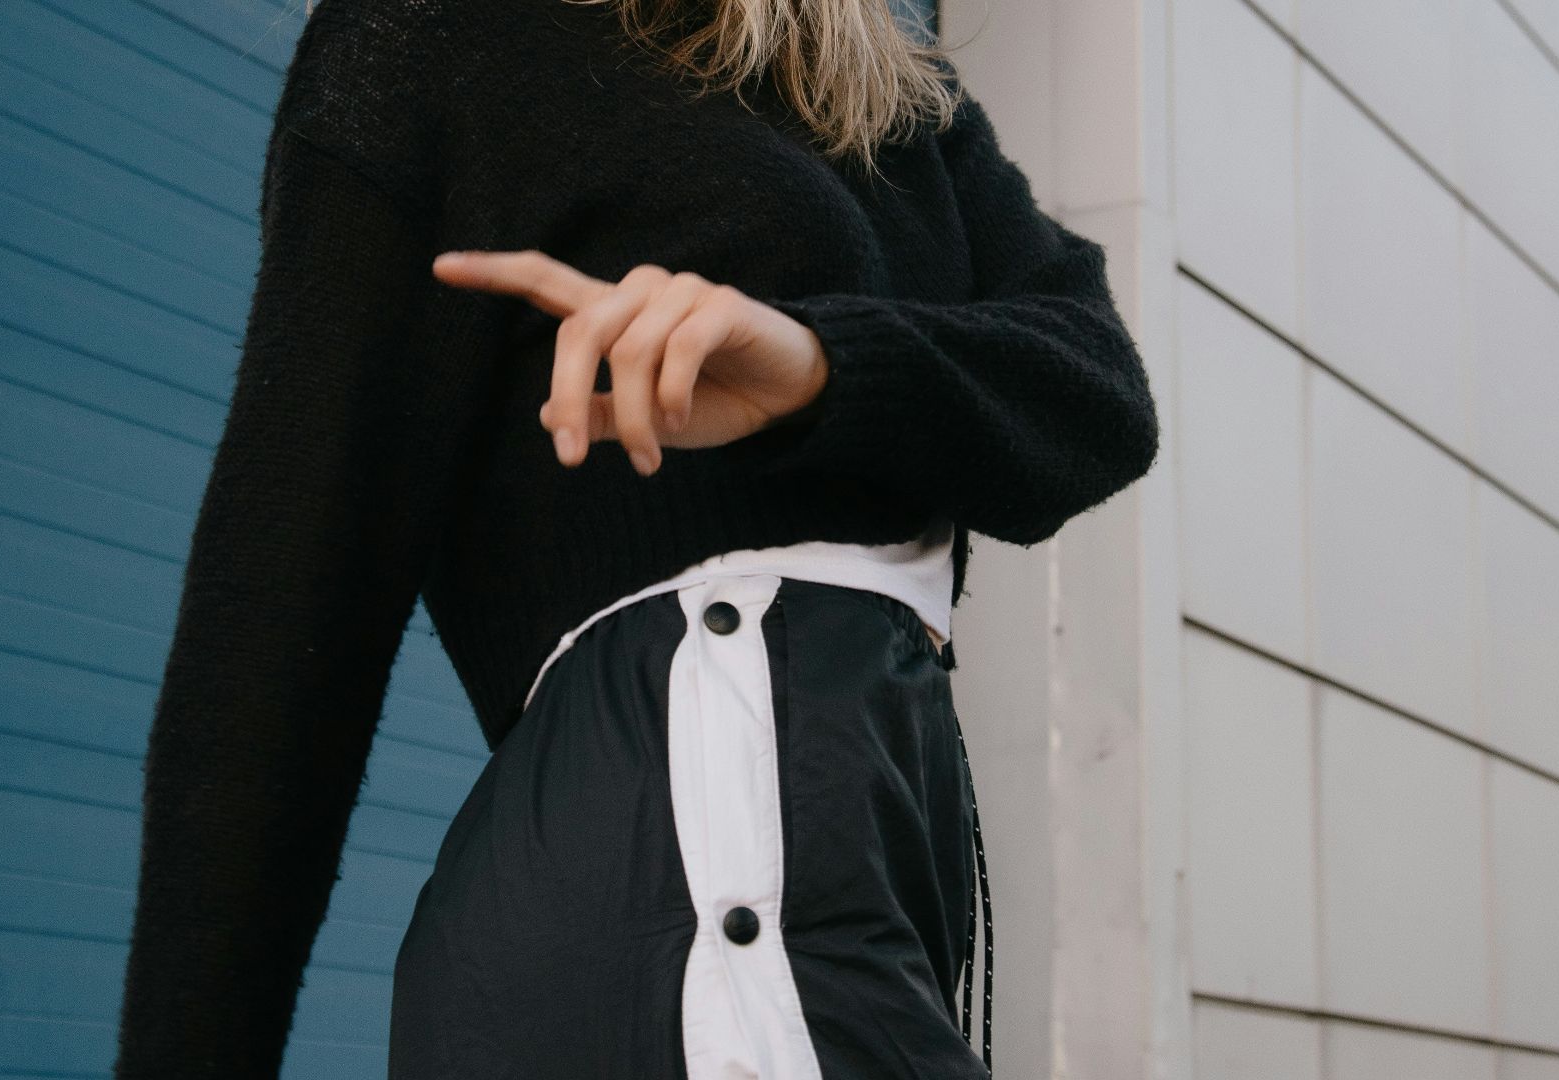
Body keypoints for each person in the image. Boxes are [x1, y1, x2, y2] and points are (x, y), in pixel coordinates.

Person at [110, 0, 1160, 1073]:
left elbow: (1099, 398)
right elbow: (283, 602)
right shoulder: (427, 33)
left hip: (864, 862)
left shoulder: (898, 92)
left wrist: (816, 366)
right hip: (667, 886)